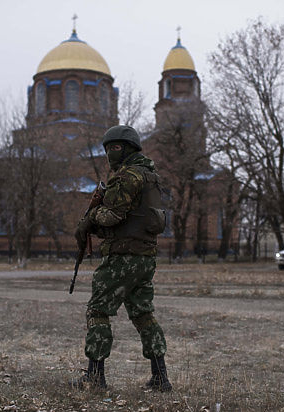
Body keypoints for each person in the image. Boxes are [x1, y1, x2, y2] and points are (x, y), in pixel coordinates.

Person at [72, 125, 172, 392]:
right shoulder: (151, 176)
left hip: (122, 258)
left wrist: (91, 217)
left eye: (114, 147)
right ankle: (161, 378)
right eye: (107, 148)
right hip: (145, 258)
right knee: (143, 314)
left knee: (98, 312)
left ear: (127, 149)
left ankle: (95, 378)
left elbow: (111, 216)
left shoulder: (127, 176)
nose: (109, 153)